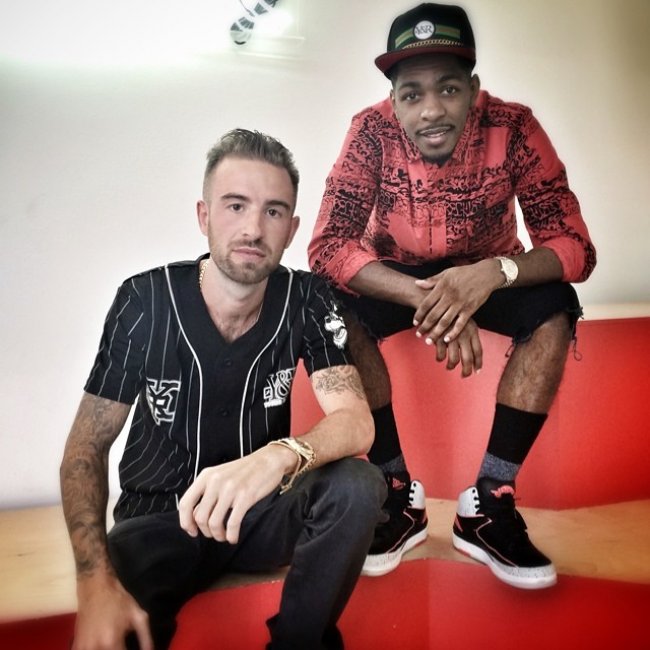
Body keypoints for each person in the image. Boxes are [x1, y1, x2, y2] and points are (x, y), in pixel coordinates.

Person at [60, 128, 387, 650]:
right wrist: (93, 581)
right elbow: (86, 446)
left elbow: (356, 422)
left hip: (258, 513)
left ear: (291, 228)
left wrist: (278, 457)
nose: (254, 228)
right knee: (119, 623)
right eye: (235, 206)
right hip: (157, 524)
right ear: (204, 215)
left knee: (358, 485)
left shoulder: (307, 298)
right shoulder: (144, 300)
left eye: (274, 211)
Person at [308, 3, 596, 589]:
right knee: (329, 304)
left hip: (490, 271)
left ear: (473, 89)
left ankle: (489, 501)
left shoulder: (515, 128)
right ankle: (396, 492)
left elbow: (575, 247)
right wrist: (432, 298)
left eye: (448, 88)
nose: (432, 109)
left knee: (556, 306)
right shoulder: (369, 132)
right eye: (412, 94)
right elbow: (328, 245)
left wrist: (492, 274)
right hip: (397, 276)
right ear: (394, 102)